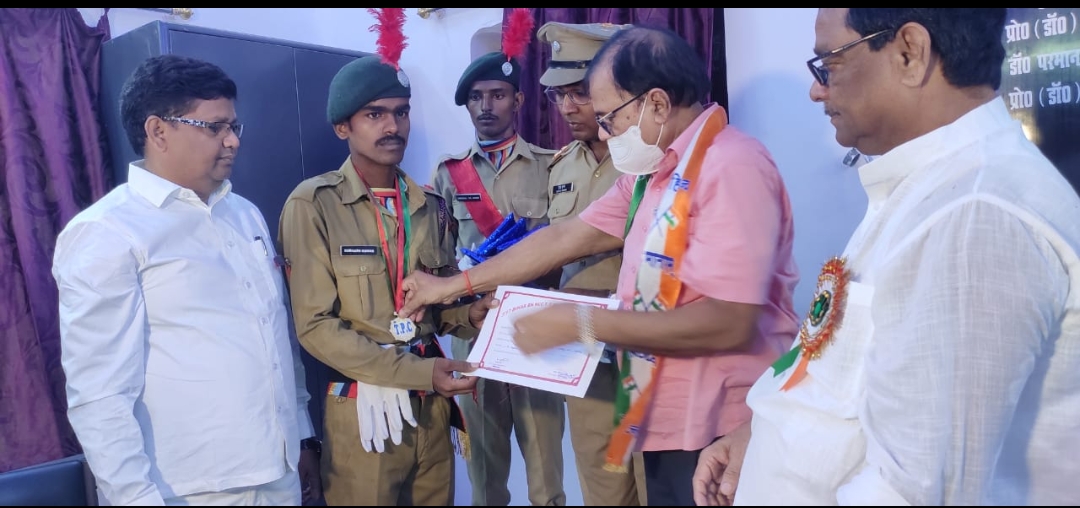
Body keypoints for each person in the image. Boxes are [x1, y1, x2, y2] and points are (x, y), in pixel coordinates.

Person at [692, 8, 1080, 506]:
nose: (816, 89)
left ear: (908, 53)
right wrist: (764, 433)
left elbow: (914, 492)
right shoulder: (932, 191)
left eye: (828, 63)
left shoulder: (974, 215)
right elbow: (860, 390)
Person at [403, 25, 799, 506]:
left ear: (656, 104)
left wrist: (581, 323)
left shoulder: (729, 165)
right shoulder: (654, 174)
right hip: (664, 415)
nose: (606, 132)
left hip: (721, 427)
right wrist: (451, 286)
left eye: (611, 117)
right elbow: (566, 237)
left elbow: (732, 321)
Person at [52, 54, 321, 506]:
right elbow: (99, 393)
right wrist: (135, 498)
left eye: (234, 126)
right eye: (214, 127)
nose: (232, 141)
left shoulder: (244, 213)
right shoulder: (107, 231)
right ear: (158, 131)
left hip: (279, 473)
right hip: (189, 489)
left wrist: (302, 435)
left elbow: (274, 335)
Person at [277, 45, 490, 505]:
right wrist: (416, 371)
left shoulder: (429, 205)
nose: (393, 126)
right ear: (342, 127)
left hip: (431, 405)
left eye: (401, 113)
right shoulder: (313, 204)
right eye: (374, 114)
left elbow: (437, 303)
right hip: (364, 410)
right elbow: (314, 326)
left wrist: (469, 313)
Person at [427, 35, 568, 506]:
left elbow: (566, 251)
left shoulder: (551, 167)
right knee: (485, 477)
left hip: (536, 331)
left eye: (498, 94)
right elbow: (442, 260)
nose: (487, 106)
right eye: (476, 97)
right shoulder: (449, 175)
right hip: (476, 336)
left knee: (546, 475)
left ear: (519, 100)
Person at [535, 20, 648, 507]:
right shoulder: (560, 166)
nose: (569, 107)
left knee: (654, 479)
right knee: (600, 482)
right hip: (582, 352)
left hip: (644, 347)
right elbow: (557, 250)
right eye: (559, 95)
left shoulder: (645, 159)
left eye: (580, 92)